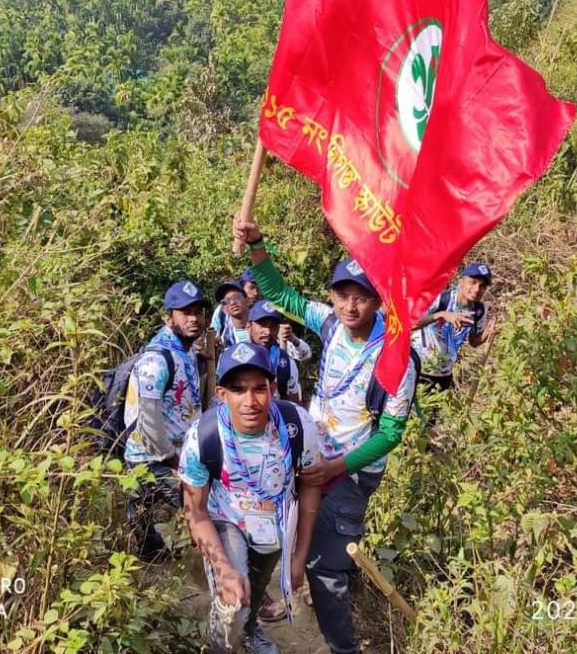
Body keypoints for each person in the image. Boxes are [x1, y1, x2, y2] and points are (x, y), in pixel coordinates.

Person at [233, 214, 417, 654]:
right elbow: (280, 295)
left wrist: (337, 467)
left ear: (378, 301)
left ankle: (342, 647)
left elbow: (390, 433)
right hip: (310, 457)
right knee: (277, 531)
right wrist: (259, 244)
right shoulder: (330, 324)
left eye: (362, 298)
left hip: (350, 473)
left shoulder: (395, 357)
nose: (350, 306)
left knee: (328, 567)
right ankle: (278, 601)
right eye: (342, 295)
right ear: (332, 296)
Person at [180, 342, 323, 654]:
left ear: (272, 388)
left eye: (259, 389)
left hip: (277, 522)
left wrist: (298, 557)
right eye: (238, 390)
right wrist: (224, 569)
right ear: (222, 394)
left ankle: (249, 630)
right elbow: (195, 511)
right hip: (226, 518)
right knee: (233, 599)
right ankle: (221, 647)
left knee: (256, 588)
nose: (250, 401)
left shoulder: (297, 425)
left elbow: (312, 484)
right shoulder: (203, 435)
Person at [123, 280, 210, 562]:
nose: (193, 318)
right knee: (206, 516)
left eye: (198, 311)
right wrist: (175, 463)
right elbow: (147, 422)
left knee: (144, 532)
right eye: (184, 312)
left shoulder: (184, 351)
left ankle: (158, 574)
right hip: (153, 460)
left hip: (169, 456)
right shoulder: (156, 360)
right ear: (169, 317)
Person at [410, 263, 495, 393]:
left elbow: (474, 342)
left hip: (444, 375)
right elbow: (411, 324)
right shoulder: (441, 299)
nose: (477, 289)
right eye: (472, 282)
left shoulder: (479, 310)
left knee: (435, 413)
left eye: (482, 286)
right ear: (461, 281)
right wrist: (441, 315)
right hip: (419, 369)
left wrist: (488, 332)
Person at [248, 300, 302, 403]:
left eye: (273, 326)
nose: (268, 332)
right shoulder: (236, 358)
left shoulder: (285, 363)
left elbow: (292, 406)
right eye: (262, 325)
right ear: (249, 326)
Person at [212, 279, 252, 347]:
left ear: (247, 301)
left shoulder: (258, 329)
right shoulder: (223, 336)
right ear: (224, 308)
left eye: (237, 297)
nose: (233, 302)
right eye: (227, 300)